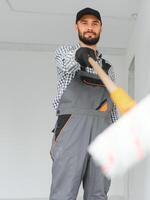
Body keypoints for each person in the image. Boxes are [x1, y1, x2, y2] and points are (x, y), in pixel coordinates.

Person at [49, 7, 118, 200]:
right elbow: (68, 63)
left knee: (98, 192)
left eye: (94, 24)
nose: (90, 28)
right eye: (84, 23)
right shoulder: (65, 53)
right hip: (72, 128)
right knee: (64, 192)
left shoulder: (108, 68)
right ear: (76, 27)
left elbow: (112, 104)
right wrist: (83, 56)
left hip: (102, 131)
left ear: (100, 29)